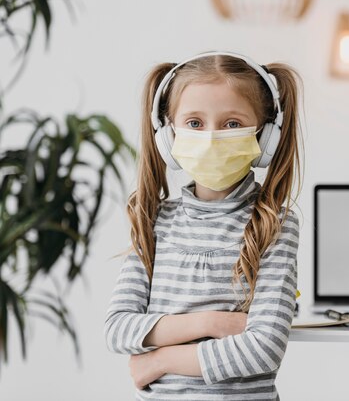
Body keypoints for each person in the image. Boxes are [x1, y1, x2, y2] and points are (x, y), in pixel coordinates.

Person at [103, 51, 303, 401]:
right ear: (169, 137)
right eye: (194, 123)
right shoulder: (154, 220)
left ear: (265, 136)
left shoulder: (276, 223)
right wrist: (211, 323)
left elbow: (263, 348)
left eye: (232, 124)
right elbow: (118, 330)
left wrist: (160, 359)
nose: (211, 137)